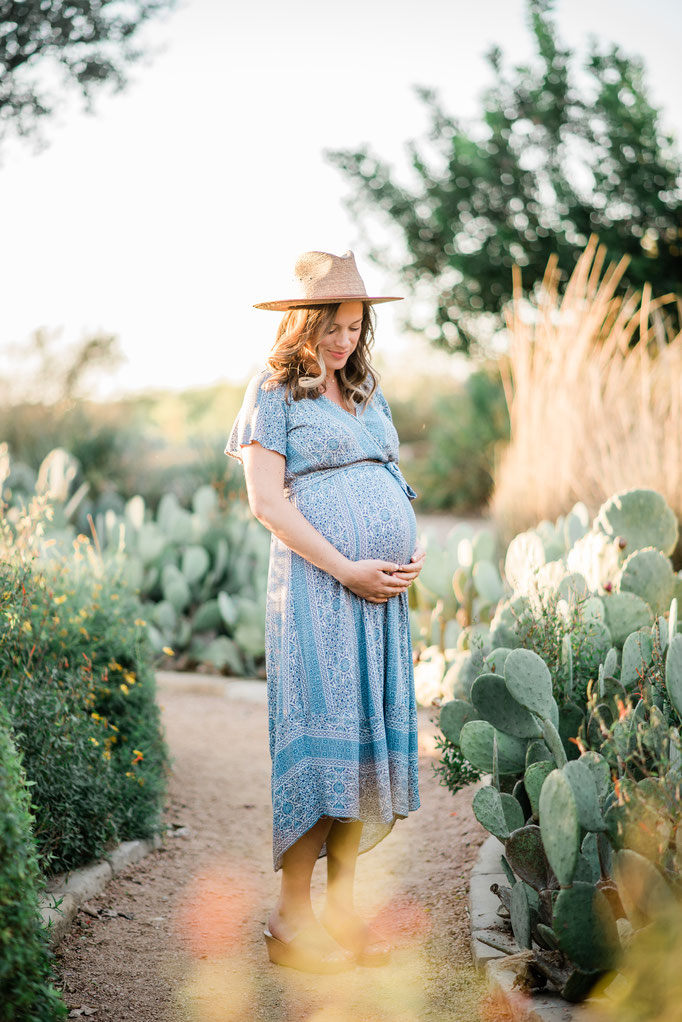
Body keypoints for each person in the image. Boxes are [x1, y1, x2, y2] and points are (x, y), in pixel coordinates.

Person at [225, 249, 425, 974]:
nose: (345, 341)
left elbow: (389, 478)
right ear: (305, 322)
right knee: (323, 747)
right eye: (334, 326)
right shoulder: (273, 392)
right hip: (320, 593)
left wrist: (408, 551)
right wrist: (348, 565)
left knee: (363, 752)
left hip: (377, 598)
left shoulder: (366, 391)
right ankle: (291, 919)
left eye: (356, 326)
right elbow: (266, 502)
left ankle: (341, 909)